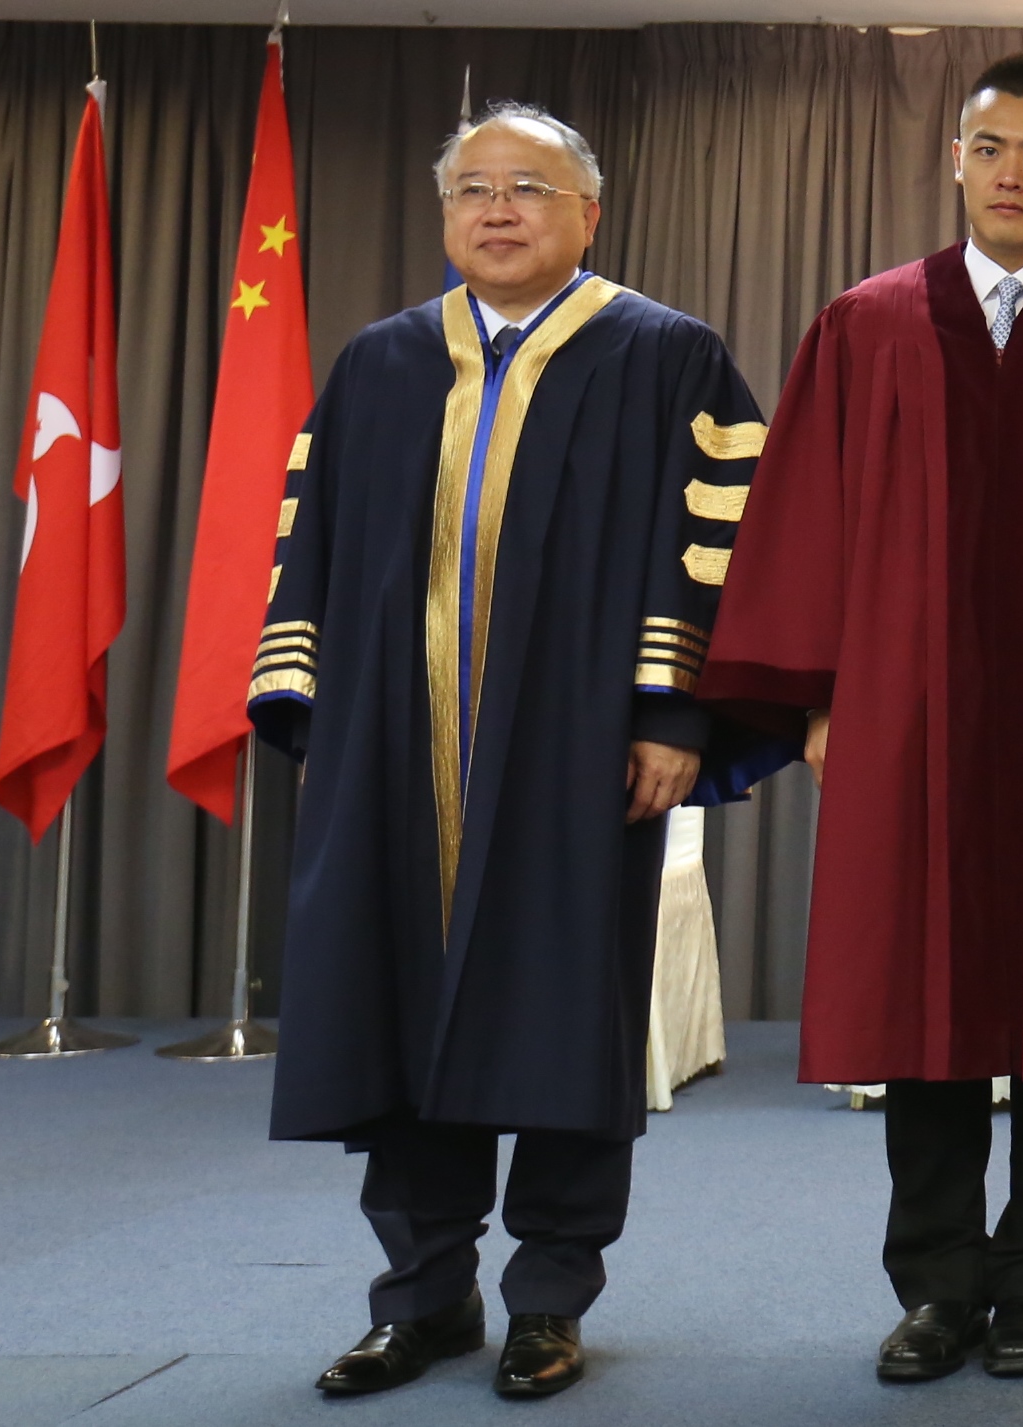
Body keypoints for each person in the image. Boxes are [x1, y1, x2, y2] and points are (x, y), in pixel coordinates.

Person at [693, 55, 1023, 1384]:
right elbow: (802, 515)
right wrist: (814, 694)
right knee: (913, 990)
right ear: (953, 156)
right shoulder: (864, 325)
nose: (1010, 173)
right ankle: (934, 1280)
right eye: (990, 146)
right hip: (904, 712)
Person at [253, 103, 776, 1401]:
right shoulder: (378, 365)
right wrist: (316, 717)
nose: (499, 209)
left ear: (588, 213)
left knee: (565, 1017)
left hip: (576, 753)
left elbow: (722, 545)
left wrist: (672, 713)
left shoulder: (669, 358)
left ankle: (549, 1294)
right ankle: (422, 1295)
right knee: (397, 1013)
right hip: (393, 749)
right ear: (446, 218)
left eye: (529, 187)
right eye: (474, 188)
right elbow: (307, 550)